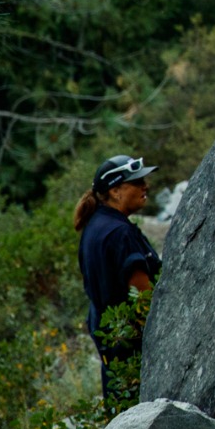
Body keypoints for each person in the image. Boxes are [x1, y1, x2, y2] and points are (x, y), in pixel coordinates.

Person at [74, 154, 163, 400]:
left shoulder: (95, 226)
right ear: (115, 191)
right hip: (131, 352)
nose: (146, 186)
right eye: (136, 182)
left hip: (111, 347)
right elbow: (143, 298)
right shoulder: (120, 233)